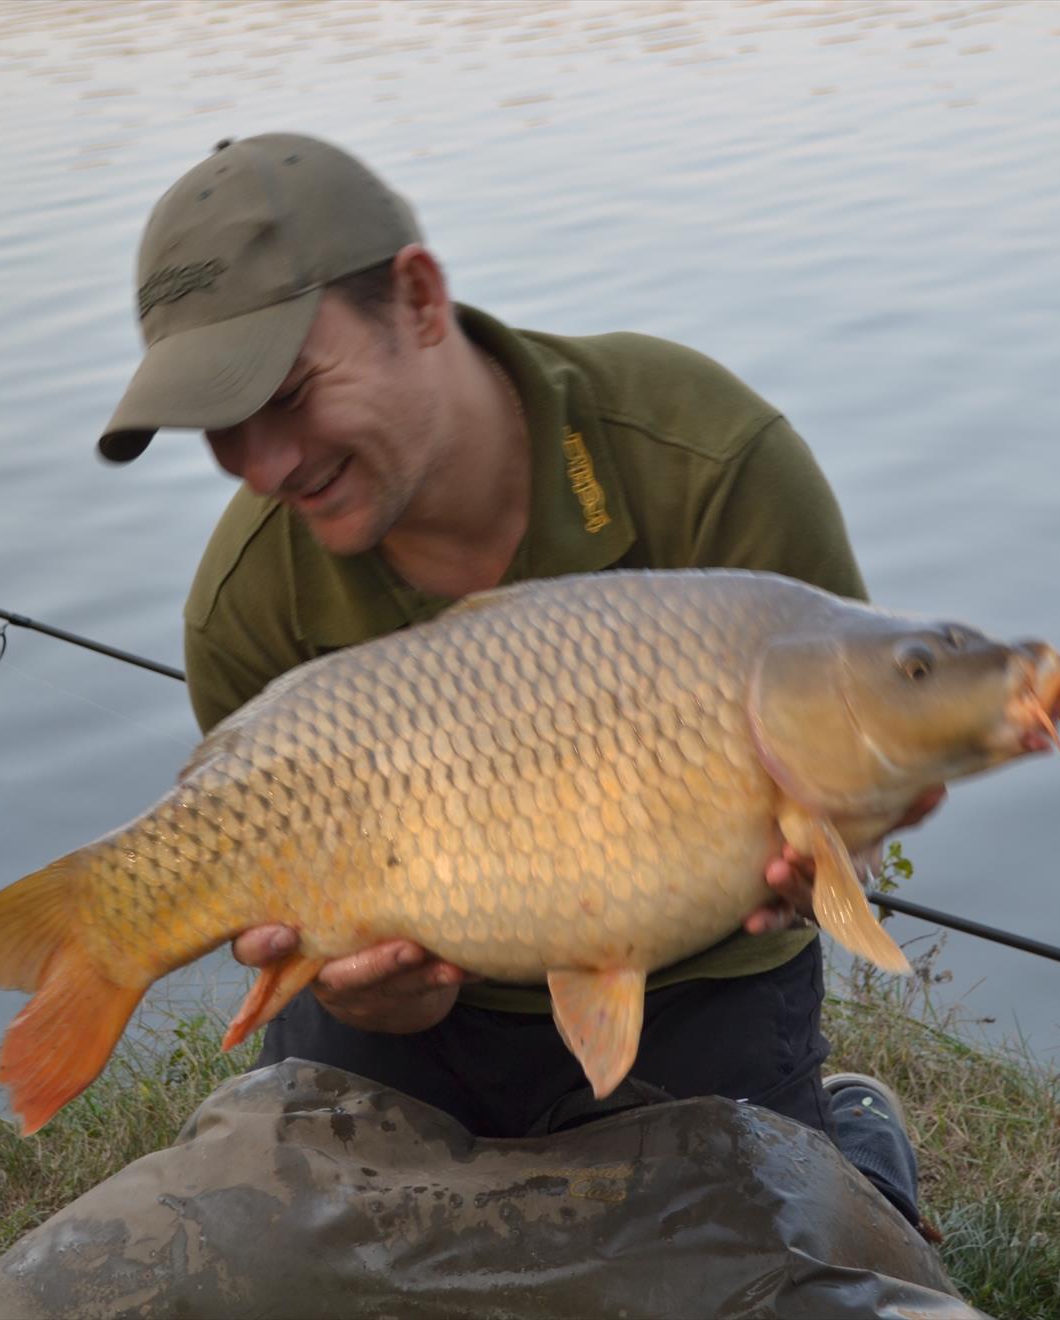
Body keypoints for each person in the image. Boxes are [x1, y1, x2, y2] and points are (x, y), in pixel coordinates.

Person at [96, 133, 934, 1227]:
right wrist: (359, 990)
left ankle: (849, 1151)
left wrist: (839, 842)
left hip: (690, 983)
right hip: (410, 1018)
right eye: (221, 429)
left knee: (749, 1252)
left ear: (420, 298)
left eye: (293, 393)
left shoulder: (711, 462)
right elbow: (289, 927)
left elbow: (849, 754)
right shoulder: (247, 599)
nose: (264, 467)